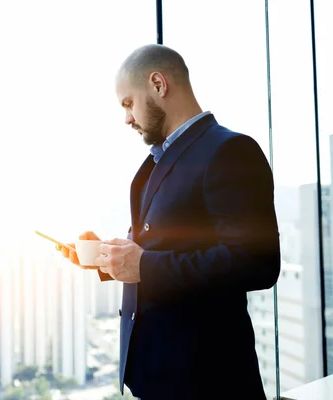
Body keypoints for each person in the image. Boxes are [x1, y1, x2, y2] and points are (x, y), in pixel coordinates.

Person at [57, 44, 280, 400]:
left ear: (158, 84)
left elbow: (257, 263)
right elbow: (161, 246)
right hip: (159, 379)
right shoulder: (159, 160)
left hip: (208, 382)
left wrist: (144, 265)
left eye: (128, 103)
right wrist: (104, 257)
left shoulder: (230, 151)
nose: (127, 118)